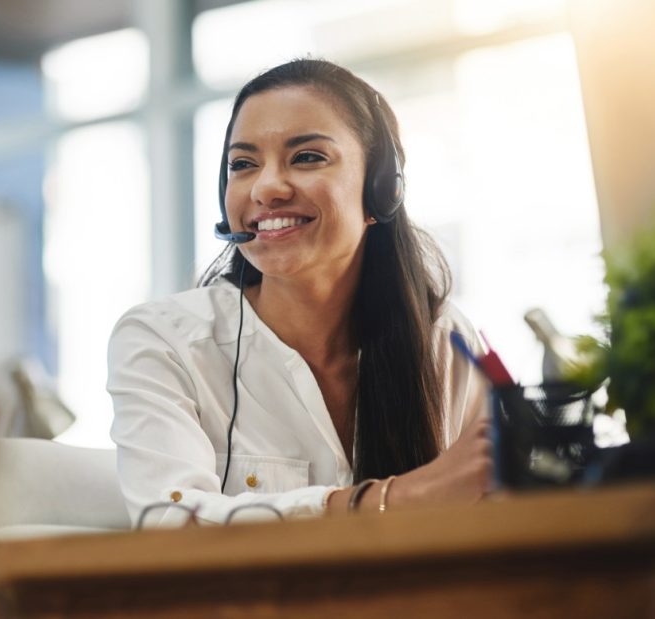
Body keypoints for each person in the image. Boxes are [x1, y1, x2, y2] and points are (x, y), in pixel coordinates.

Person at [107, 59, 491, 527]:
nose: (266, 188)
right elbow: (168, 523)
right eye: (243, 164)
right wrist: (394, 499)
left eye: (307, 157)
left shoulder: (445, 339)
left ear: (381, 188)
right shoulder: (164, 340)